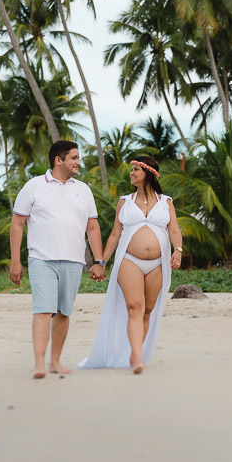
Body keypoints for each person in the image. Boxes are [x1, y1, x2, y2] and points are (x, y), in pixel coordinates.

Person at [10, 140, 107, 379]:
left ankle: (54, 362)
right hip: (41, 259)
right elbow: (17, 223)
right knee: (43, 310)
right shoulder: (33, 186)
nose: (78, 162)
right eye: (74, 158)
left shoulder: (83, 189)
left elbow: (92, 227)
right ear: (58, 160)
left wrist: (99, 261)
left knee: (64, 312)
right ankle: (39, 364)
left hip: (74, 260)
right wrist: (15, 261)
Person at [79, 155, 183, 374]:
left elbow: (173, 229)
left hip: (157, 264)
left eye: (136, 169)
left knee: (148, 310)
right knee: (135, 306)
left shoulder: (166, 202)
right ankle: (136, 357)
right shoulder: (125, 201)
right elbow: (115, 235)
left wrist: (178, 249)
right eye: (132, 169)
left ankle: (137, 351)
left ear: (149, 173)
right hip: (129, 261)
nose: (131, 173)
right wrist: (101, 262)